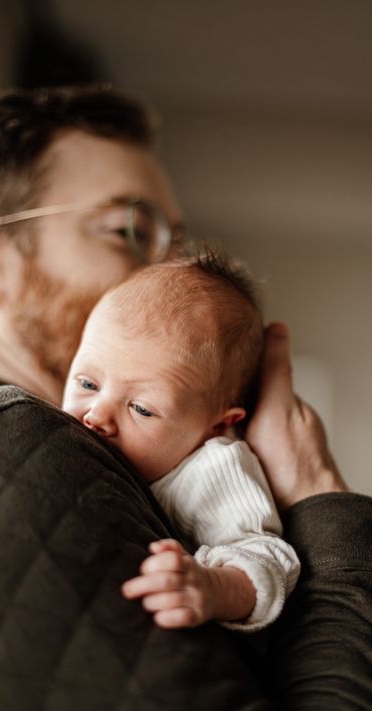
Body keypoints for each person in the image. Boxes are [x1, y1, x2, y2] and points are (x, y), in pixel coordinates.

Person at [0, 86, 372, 710]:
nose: (163, 273)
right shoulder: (24, 446)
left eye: (174, 243)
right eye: (129, 228)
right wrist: (324, 499)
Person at [62, 251, 301, 631]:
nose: (96, 416)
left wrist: (215, 588)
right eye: (88, 383)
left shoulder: (212, 469)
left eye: (141, 408)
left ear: (217, 426)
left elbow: (269, 558)